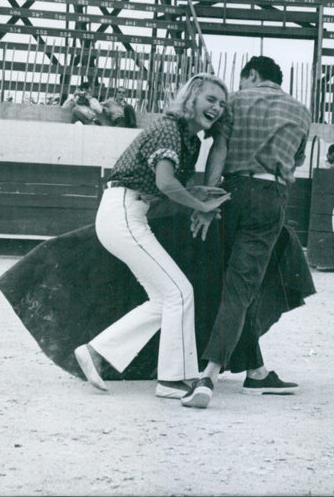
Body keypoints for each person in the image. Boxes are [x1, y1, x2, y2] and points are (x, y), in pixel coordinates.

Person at [73, 73, 232, 399]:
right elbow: (164, 184)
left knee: (166, 299)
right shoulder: (170, 129)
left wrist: (195, 193)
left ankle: (95, 351)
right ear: (192, 99)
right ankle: (173, 380)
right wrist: (199, 204)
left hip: (127, 213)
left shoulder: (185, 135)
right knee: (180, 292)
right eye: (211, 99)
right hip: (124, 212)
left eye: (222, 104)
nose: (217, 108)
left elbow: (166, 185)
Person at [183, 55, 312, 409]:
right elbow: (296, 164)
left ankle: (255, 371)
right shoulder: (302, 111)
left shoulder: (235, 101)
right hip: (271, 197)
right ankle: (209, 374)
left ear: (251, 75)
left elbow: (219, 150)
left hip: (231, 194)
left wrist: (208, 201)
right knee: (242, 284)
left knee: (238, 284)